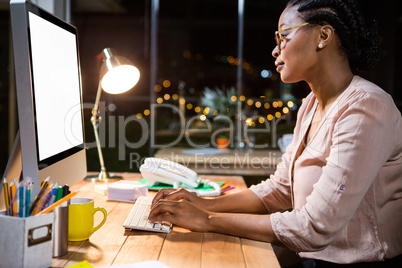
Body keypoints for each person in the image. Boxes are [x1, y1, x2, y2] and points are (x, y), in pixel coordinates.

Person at [148, 0, 402, 266]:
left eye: (283, 36)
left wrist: (207, 220)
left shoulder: (366, 107)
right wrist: (202, 203)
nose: (274, 49)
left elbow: (313, 228)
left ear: (323, 36)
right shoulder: (311, 105)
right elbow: (280, 189)